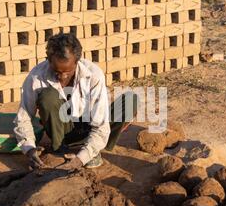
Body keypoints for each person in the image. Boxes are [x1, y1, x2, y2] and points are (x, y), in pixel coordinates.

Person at [14, 33, 137, 174]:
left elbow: (101, 124)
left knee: (129, 101)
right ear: (48, 60)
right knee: (48, 97)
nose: (62, 77)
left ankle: (92, 151)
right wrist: (29, 149)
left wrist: (81, 159)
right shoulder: (37, 76)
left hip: (89, 127)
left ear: (77, 61)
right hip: (62, 131)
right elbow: (23, 118)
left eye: (68, 71)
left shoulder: (93, 75)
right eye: (56, 71)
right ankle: (60, 149)